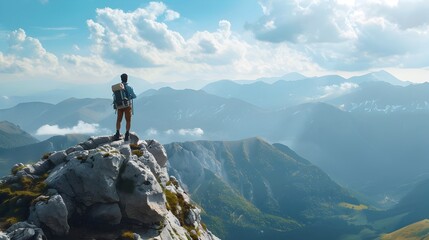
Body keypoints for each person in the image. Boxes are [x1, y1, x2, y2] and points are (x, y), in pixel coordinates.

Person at [113, 73, 137, 141]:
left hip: (119, 105)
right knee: (128, 120)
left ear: (121, 79)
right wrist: (129, 97)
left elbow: (114, 96)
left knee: (119, 120)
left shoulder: (117, 87)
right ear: (127, 79)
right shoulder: (129, 87)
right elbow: (134, 96)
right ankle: (127, 134)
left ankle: (117, 133)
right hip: (127, 106)